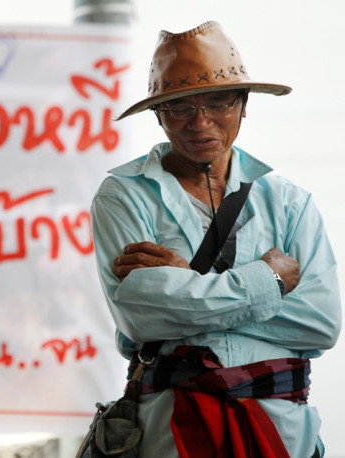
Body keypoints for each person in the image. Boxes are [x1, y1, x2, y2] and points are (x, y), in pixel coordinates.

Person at [90, 21, 341, 457]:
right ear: (159, 115)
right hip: (168, 429)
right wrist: (268, 282)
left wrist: (185, 285)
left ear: (244, 105)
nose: (200, 123)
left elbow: (321, 322)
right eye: (180, 107)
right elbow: (140, 318)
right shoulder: (123, 196)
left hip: (283, 430)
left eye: (218, 103)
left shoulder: (288, 203)